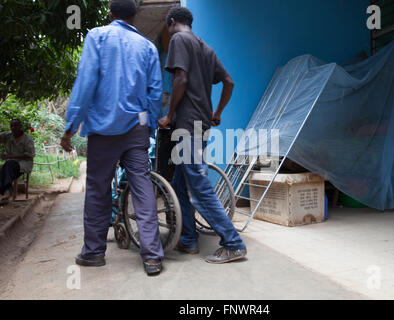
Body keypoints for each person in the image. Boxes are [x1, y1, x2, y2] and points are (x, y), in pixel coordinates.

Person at [60, 0, 164, 276]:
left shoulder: (97, 36)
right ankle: (152, 256)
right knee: (142, 188)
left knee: (97, 189)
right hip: (136, 129)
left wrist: (71, 126)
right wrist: (149, 126)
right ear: (136, 15)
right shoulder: (148, 47)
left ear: (110, 13)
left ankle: (93, 253)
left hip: (103, 129)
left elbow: (86, 81)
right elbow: (155, 94)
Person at [158, 7, 247, 264]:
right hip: (201, 125)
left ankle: (233, 243)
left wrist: (169, 114)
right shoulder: (206, 48)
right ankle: (188, 239)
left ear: (172, 22)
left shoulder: (178, 39)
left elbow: (181, 78)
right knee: (181, 185)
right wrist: (216, 112)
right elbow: (229, 81)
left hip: (186, 125)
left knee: (198, 188)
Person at [0, 119, 35, 203]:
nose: (13, 128)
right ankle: (6, 191)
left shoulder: (27, 139)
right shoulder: (7, 136)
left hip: (24, 163)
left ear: (20, 126)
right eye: (11, 126)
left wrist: (10, 156)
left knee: (8, 165)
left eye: (15, 125)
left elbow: (29, 155)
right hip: (10, 163)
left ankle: (7, 192)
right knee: (4, 167)